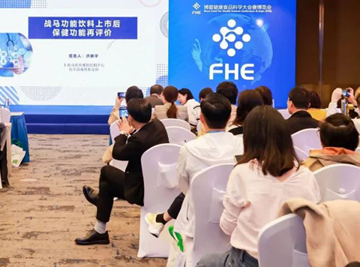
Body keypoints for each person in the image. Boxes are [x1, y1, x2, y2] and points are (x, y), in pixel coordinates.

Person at [197, 106, 320, 267]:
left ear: (249, 139)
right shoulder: (307, 175)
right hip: (295, 260)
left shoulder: (242, 173)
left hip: (250, 261)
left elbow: (227, 227)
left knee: (205, 262)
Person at [145, 93, 243, 239]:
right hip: (236, 214)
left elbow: (183, 185)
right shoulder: (243, 146)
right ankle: (161, 220)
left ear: (201, 118)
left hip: (195, 217)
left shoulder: (189, 149)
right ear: (229, 118)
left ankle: (161, 220)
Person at [76, 98, 168, 245]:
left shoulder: (138, 140)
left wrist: (124, 133)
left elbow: (117, 153)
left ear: (131, 117)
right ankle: (100, 230)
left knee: (106, 171)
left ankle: (100, 204)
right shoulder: (158, 125)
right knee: (106, 186)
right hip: (160, 184)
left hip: (142, 190)